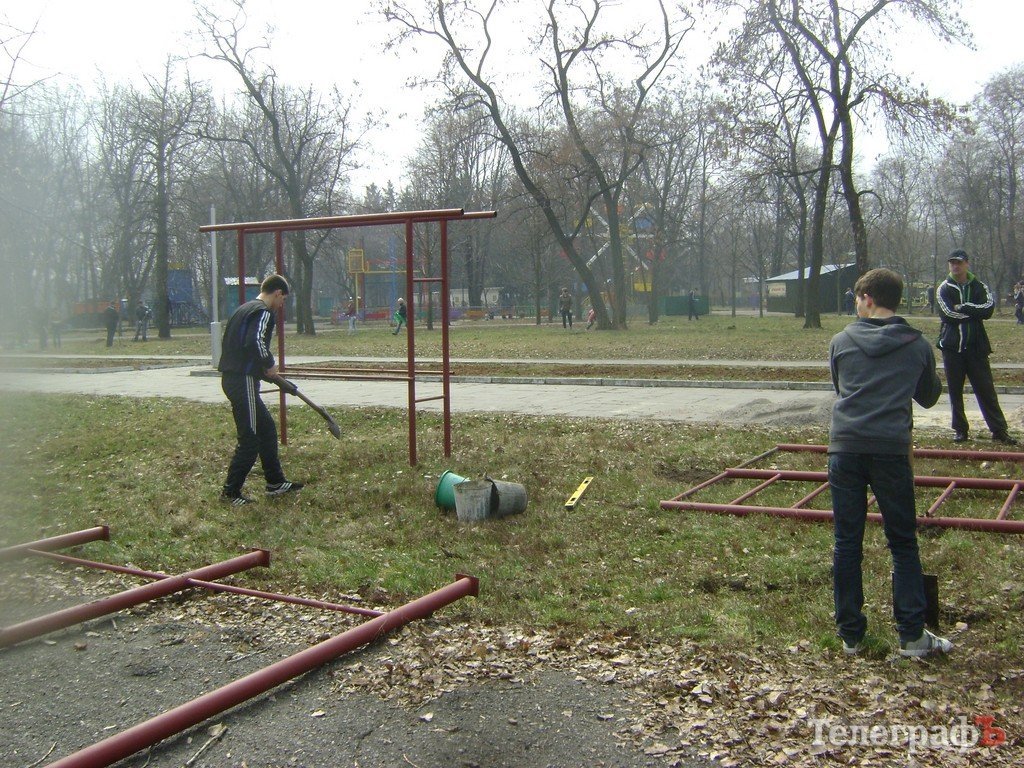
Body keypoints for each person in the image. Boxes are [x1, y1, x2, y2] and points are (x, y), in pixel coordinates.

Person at [828, 268, 952, 658]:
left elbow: (840, 385)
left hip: (845, 449)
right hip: (891, 451)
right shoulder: (917, 345)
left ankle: (851, 635)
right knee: (902, 542)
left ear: (867, 298)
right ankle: (912, 635)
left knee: (847, 542)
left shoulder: (841, 341)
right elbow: (929, 396)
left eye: (856, 298)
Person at [218, 274, 303, 506]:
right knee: (250, 438)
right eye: (283, 300)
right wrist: (268, 364)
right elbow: (254, 342)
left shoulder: (243, 309)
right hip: (241, 381)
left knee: (266, 429)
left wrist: (263, 371)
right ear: (277, 293)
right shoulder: (263, 312)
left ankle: (275, 482)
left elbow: (242, 348)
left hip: (236, 378)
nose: (281, 305)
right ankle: (230, 492)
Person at [936, 249, 1018, 444]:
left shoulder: (980, 286)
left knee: (986, 389)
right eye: (952, 263)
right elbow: (947, 314)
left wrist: (963, 307)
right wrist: (973, 314)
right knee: (955, 391)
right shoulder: (944, 288)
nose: (955, 266)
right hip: (952, 348)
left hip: (976, 349)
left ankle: (999, 430)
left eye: (959, 262)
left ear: (967, 264)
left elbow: (988, 309)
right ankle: (960, 430)